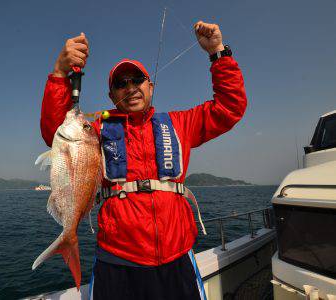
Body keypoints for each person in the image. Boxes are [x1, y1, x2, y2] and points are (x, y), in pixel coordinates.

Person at [40, 21, 247, 300]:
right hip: (117, 263)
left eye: (137, 80)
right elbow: (56, 132)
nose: (130, 87)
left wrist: (218, 53)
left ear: (150, 86)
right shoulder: (95, 132)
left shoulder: (179, 123)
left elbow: (229, 107)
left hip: (177, 259)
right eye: (121, 84)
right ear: (111, 96)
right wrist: (59, 74)